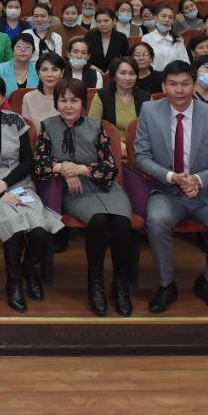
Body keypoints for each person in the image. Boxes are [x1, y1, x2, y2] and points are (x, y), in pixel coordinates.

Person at [133, 61, 208, 314]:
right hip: (167, 190)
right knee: (157, 221)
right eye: (173, 84)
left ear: (194, 84)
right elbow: (141, 157)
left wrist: (198, 180)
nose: (180, 90)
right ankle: (167, 285)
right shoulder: (150, 111)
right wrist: (171, 177)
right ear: (163, 86)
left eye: (186, 84)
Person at [0, 75, 63, 312]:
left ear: (2, 99)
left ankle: (30, 268)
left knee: (40, 228)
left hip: (18, 182)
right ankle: (14, 282)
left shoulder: (16, 121)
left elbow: (27, 162)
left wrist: (6, 183)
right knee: (14, 227)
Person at [35, 78, 133, 316]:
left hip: (105, 187)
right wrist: (63, 168)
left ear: (83, 103)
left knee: (122, 223)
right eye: (63, 101)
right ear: (56, 103)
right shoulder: (47, 126)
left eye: (74, 100)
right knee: (98, 220)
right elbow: (39, 164)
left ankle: (120, 284)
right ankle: (95, 282)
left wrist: (78, 169)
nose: (68, 106)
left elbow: (110, 168)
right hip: (75, 192)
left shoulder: (96, 127)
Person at [88, 56, 150, 143]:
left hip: (140, 146)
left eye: (132, 73)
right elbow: (92, 129)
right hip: (110, 145)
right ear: (114, 76)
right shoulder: (102, 96)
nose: (128, 78)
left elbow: (152, 130)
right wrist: (115, 143)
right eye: (123, 73)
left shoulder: (146, 98)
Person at [20, 52, 66, 132]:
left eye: (54, 70)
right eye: (44, 70)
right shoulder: (29, 98)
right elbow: (28, 132)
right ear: (38, 73)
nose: (49, 74)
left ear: (62, 73)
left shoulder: (70, 97)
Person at [141, 4, 188, 72]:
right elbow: (144, 62)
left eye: (170, 17)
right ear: (156, 18)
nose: (167, 20)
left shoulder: (178, 39)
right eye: (163, 16)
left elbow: (185, 62)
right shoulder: (146, 38)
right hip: (154, 75)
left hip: (174, 75)